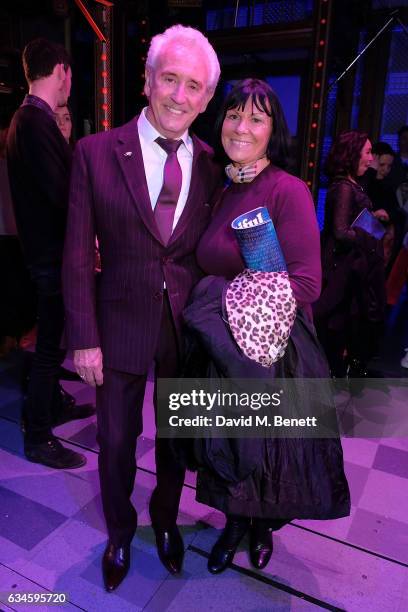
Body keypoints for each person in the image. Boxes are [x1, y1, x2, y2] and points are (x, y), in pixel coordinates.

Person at [62, 25, 221, 591]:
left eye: (193, 87)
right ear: (148, 79)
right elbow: (77, 255)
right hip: (116, 326)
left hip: (186, 331)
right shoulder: (96, 153)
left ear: (206, 100)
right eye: (170, 79)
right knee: (116, 443)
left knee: (177, 439)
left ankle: (165, 520)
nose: (179, 96)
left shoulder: (213, 165)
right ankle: (121, 532)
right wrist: (83, 335)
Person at [186, 78, 350, 574]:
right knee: (228, 441)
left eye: (257, 118)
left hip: (271, 348)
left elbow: (308, 283)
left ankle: (259, 528)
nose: (242, 126)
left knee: (264, 453)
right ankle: (235, 522)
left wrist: (223, 295)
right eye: (235, 114)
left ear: (273, 131)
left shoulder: (287, 189)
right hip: (223, 345)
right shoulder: (223, 186)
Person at [6, 38, 92, 470]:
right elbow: (61, 196)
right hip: (48, 257)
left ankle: (52, 407)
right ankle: (39, 434)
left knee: (52, 346)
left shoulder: (28, 120)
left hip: (43, 253)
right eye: (70, 76)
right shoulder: (34, 122)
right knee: (47, 350)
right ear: (61, 70)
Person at [313, 130, 386, 377]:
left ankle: (340, 368)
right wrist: (370, 237)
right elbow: (341, 231)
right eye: (367, 152)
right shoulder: (344, 187)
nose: (370, 159)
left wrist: (371, 220)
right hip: (340, 265)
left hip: (349, 263)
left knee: (344, 321)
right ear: (352, 154)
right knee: (334, 321)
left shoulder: (352, 184)